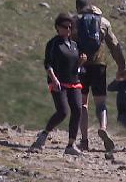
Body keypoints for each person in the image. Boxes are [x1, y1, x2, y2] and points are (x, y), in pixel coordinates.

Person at [74, 0, 126, 153]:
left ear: (78, 8)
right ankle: (103, 127)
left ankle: (84, 140)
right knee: (101, 102)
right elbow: (114, 45)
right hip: (99, 65)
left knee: (83, 103)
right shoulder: (103, 22)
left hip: (81, 65)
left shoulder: (75, 21)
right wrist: (121, 65)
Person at [29, 13, 85, 156]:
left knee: (78, 109)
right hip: (58, 82)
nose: (68, 30)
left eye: (70, 27)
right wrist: (53, 79)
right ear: (57, 28)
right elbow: (48, 63)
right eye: (65, 27)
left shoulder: (74, 45)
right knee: (63, 112)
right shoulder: (54, 43)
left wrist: (81, 62)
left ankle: (71, 145)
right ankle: (44, 134)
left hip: (74, 82)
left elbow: (74, 66)